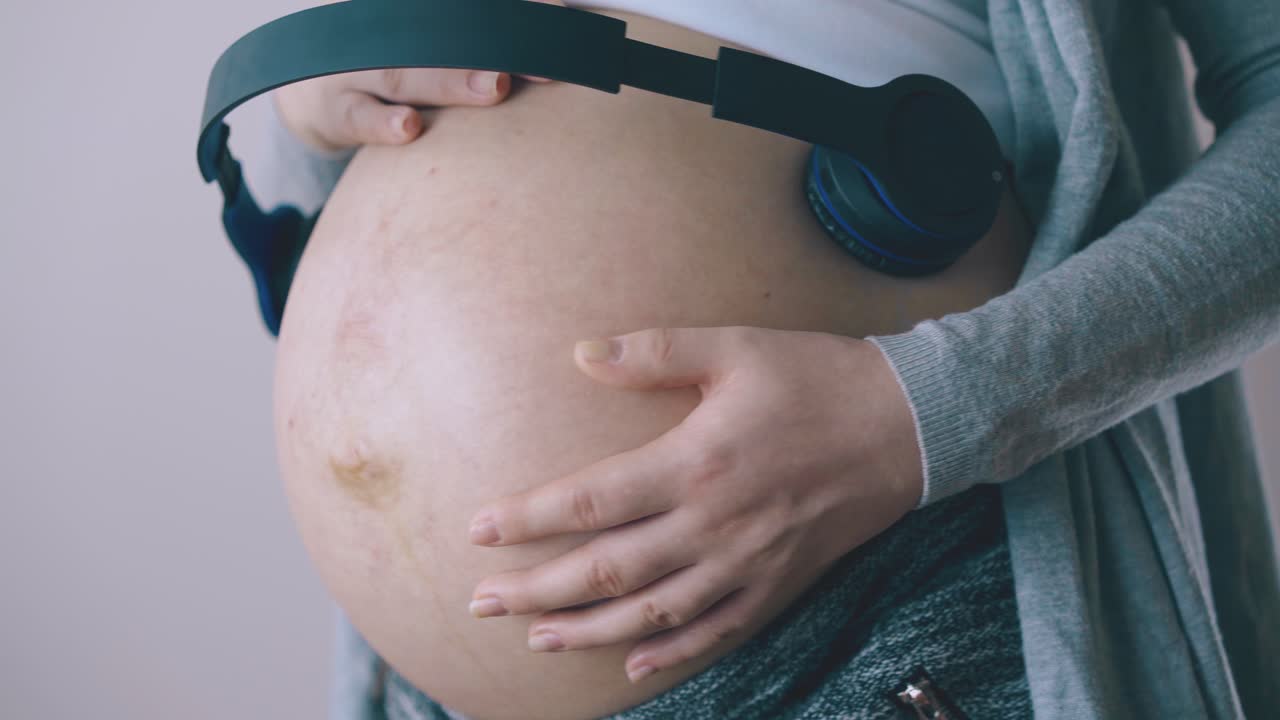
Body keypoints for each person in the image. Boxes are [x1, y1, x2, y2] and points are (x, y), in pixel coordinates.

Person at [237, 1, 1280, 718]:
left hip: (880, 615)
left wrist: (920, 414)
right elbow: (316, 174)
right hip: (429, 682)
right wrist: (310, 102)